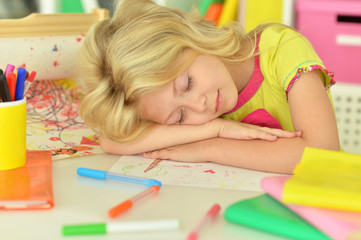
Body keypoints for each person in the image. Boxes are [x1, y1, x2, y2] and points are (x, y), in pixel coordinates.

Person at [77, 0, 340, 174]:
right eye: (179, 117)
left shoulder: (280, 49)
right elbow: (112, 140)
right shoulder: (206, 112)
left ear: (189, 36)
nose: (198, 105)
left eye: (187, 83)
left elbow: (322, 153)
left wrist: (210, 147)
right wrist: (218, 127)